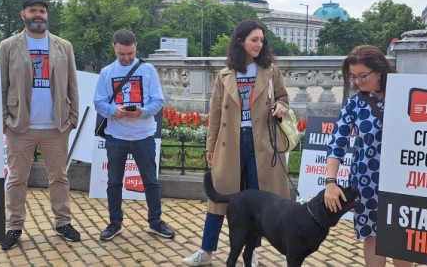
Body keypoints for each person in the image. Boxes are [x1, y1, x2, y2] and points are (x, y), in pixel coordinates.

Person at [182, 20, 290, 267]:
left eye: (261, 40)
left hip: (261, 143)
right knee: (219, 198)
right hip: (229, 143)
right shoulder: (225, 74)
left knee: (258, 202)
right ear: (240, 41)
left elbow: (283, 97)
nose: (259, 45)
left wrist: (281, 106)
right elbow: (216, 114)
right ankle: (206, 251)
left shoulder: (270, 70)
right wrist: (210, 147)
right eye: (254, 40)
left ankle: (251, 255)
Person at [0, 0, 80, 250]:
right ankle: (14, 226)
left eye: (42, 11)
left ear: (47, 15)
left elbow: (72, 84)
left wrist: (73, 117)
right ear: (23, 14)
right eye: (33, 10)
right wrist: (4, 120)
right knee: (17, 179)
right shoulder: (9, 45)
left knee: (59, 178)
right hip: (20, 125)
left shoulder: (63, 46)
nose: (38, 15)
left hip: (56, 125)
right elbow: (0, 85)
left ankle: (63, 222)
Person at [324, 45, 411, 267]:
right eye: (353, 77)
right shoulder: (355, 103)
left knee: (400, 235)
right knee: (372, 235)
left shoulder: (407, 93)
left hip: (403, 179)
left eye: (362, 75)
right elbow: (337, 144)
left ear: (379, 70)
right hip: (367, 181)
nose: (358, 82)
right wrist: (331, 182)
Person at [94, 29, 175, 241]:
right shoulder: (106, 72)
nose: (126, 57)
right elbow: (98, 102)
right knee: (113, 182)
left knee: (151, 182)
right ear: (115, 48)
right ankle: (115, 223)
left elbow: (158, 101)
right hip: (116, 136)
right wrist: (114, 111)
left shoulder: (148, 70)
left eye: (130, 53)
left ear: (136, 47)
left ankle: (155, 222)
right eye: (122, 53)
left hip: (144, 136)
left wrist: (142, 111)